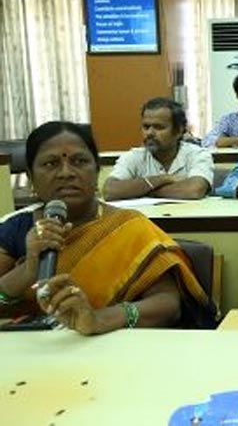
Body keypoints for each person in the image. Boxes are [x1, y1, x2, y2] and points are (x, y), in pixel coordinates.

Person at [0, 121, 213, 334]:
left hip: (112, 350)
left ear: (97, 171)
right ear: (30, 178)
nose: (66, 173)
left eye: (79, 161)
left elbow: (168, 305)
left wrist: (100, 319)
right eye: (50, 164)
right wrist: (28, 269)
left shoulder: (128, 225)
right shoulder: (15, 228)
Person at [103, 98, 214, 201]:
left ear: (179, 130)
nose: (150, 133)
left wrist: (141, 191)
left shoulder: (198, 154)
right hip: (147, 221)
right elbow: (110, 191)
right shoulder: (134, 156)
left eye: (159, 127)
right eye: (146, 127)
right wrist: (163, 179)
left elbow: (194, 190)